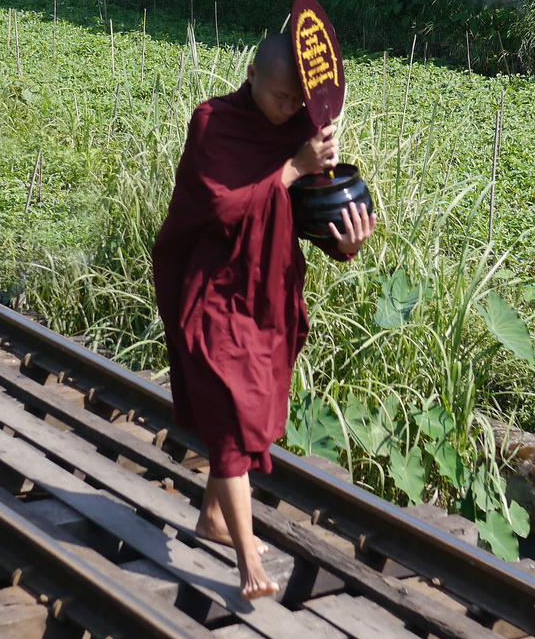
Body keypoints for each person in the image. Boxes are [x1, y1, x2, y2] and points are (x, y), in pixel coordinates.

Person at [151, 33, 376, 600]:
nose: (289, 109)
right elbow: (224, 207)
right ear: (251, 76)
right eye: (280, 97)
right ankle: (250, 564)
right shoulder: (212, 123)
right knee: (230, 414)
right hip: (214, 288)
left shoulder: (300, 129)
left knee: (249, 408)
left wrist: (348, 238)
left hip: (267, 293)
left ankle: (213, 518)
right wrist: (292, 169)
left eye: (297, 101)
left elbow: (308, 214)